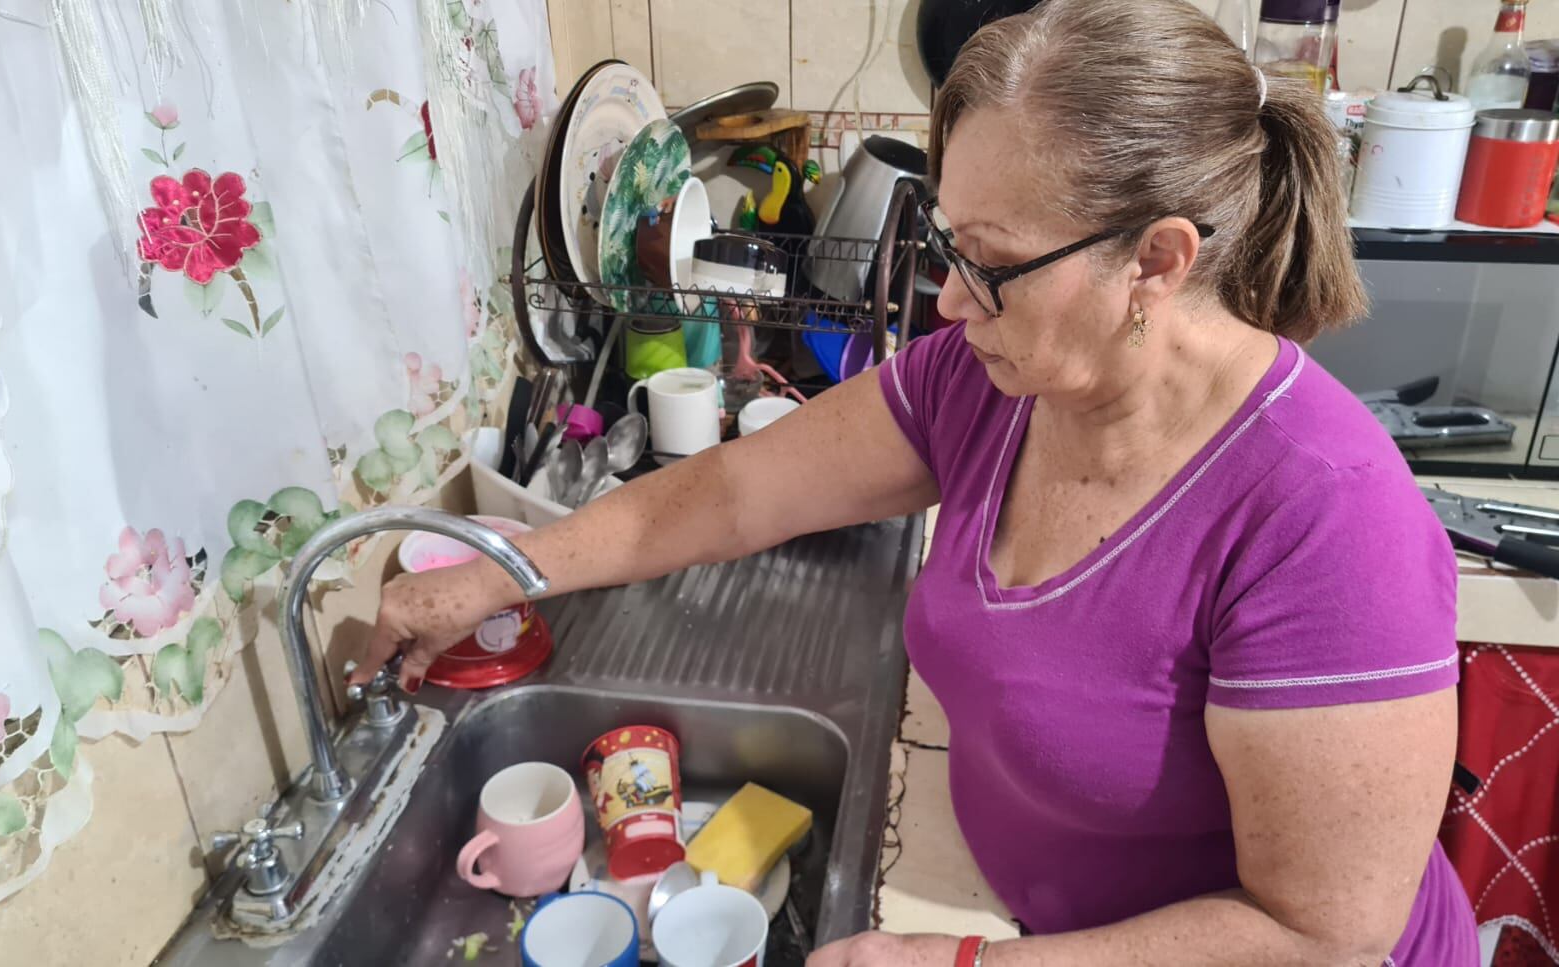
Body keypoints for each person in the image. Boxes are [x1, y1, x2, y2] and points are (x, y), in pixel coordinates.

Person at [350, 0, 1478, 962]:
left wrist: (963, 961)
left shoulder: (1325, 515)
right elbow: (737, 492)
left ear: (1158, 261)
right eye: (948, 248)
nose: (945, 303)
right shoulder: (992, 381)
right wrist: (504, 570)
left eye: (990, 266)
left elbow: (1321, 934)